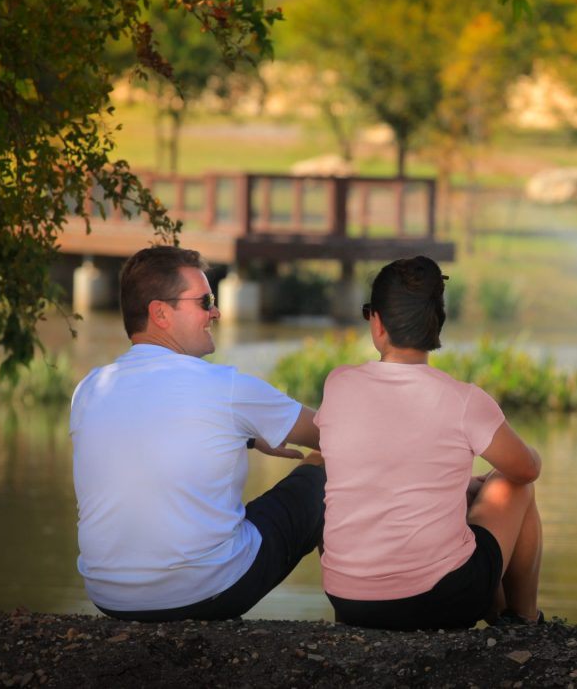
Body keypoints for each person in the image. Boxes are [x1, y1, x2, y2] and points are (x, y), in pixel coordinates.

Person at [70, 246, 325, 622]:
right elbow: (333, 433)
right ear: (160, 313)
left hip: (109, 596)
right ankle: (359, 611)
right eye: (205, 301)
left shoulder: (91, 387)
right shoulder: (224, 386)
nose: (216, 311)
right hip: (207, 593)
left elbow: (150, 431)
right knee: (326, 467)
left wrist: (249, 437)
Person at [315, 255, 543, 630]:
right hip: (440, 599)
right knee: (512, 486)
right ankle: (523, 620)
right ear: (437, 323)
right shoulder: (463, 399)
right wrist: (525, 458)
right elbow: (526, 470)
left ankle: (501, 611)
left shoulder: (338, 385)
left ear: (378, 323)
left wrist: (460, 486)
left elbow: (372, 469)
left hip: (349, 601)